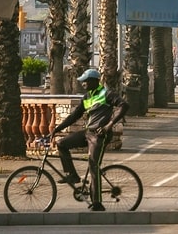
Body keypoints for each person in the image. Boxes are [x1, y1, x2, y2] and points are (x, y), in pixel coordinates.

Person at [52, 68, 128, 212]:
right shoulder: (87, 97)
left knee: (93, 165)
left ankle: (97, 203)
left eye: (85, 81)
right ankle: (72, 175)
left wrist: (109, 125)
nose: (83, 84)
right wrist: (57, 129)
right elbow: (74, 116)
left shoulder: (107, 94)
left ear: (94, 81)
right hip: (88, 132)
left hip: (100, 135)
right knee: (61, 144)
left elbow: (124, 105)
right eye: (82, 82)